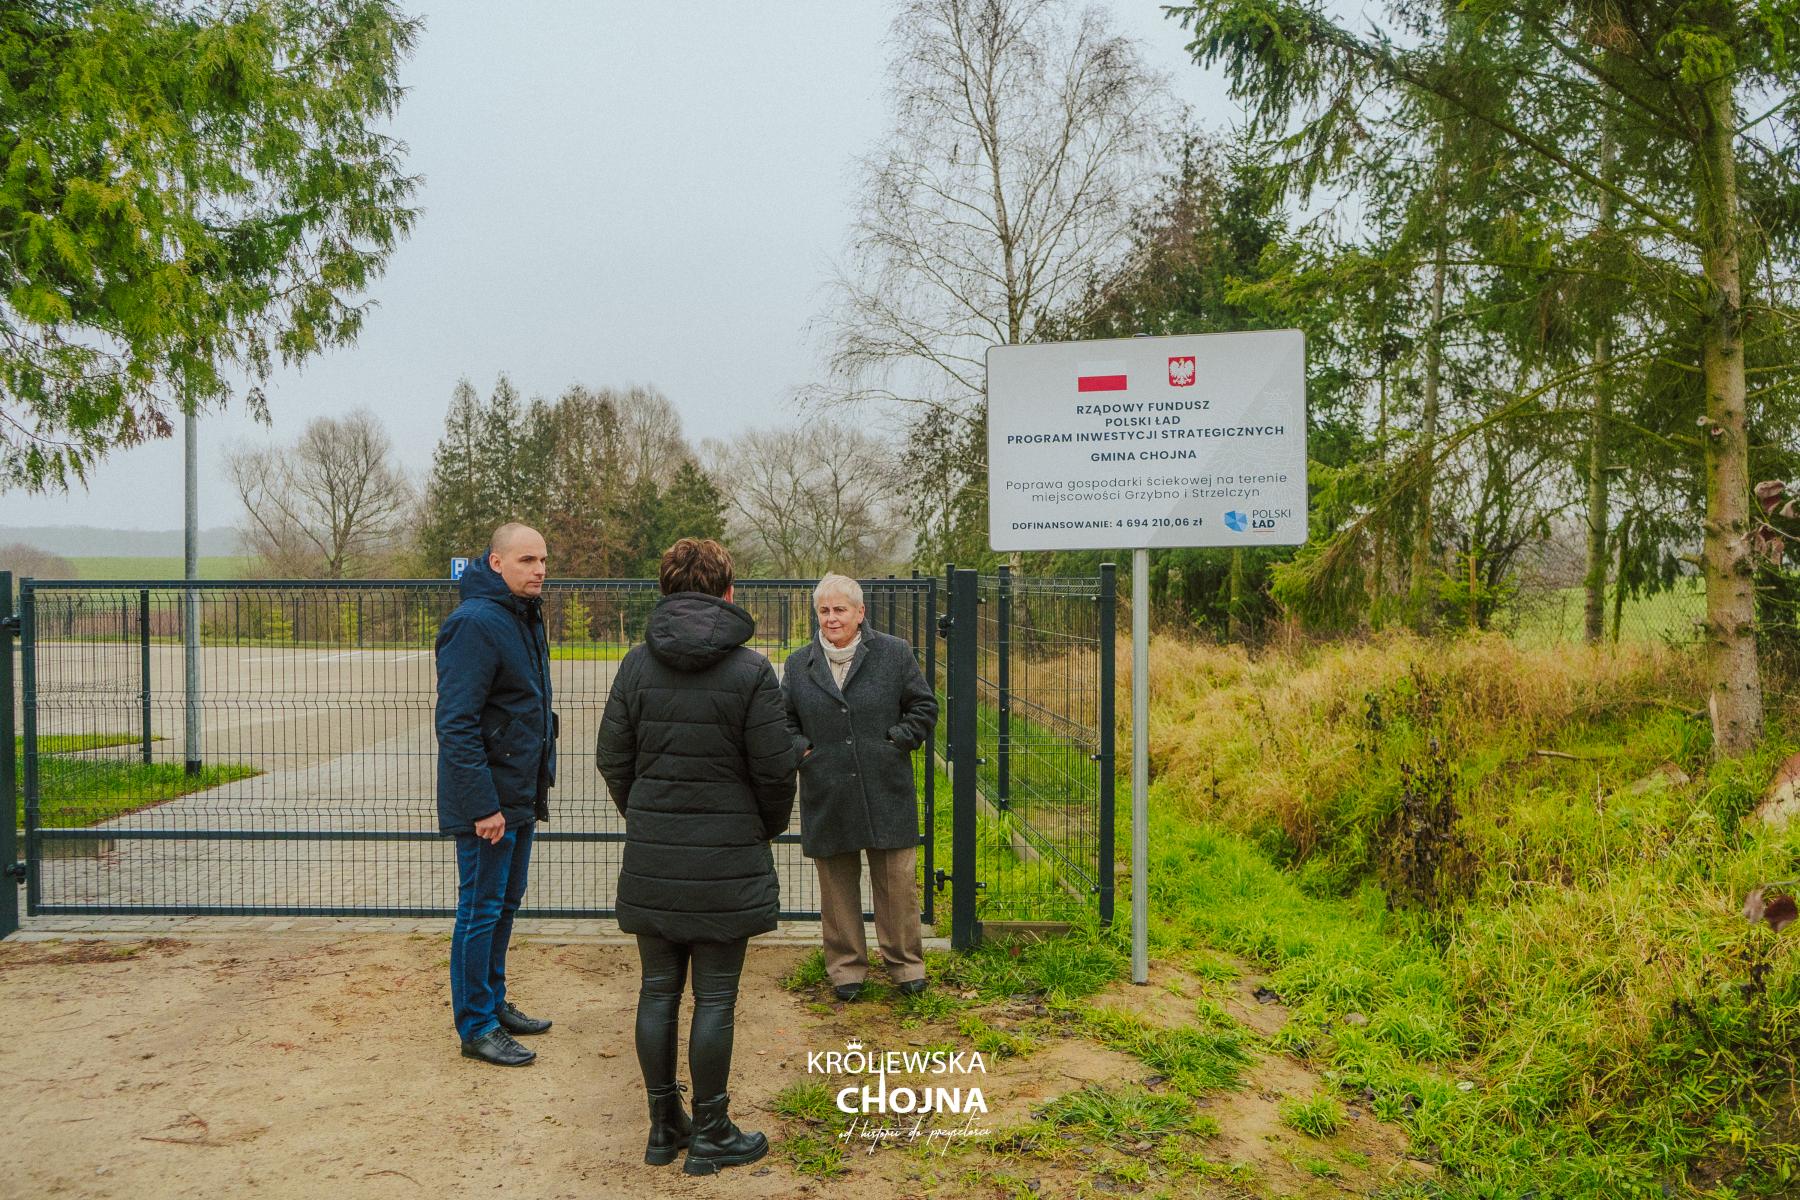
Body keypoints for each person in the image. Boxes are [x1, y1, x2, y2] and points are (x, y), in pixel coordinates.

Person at [595, 537, 796, 1175]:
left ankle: (663, 1127)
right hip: (726, 861)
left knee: (657, 990)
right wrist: (761, 829)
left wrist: (646, 818)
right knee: (715, 998)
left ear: (664, 589)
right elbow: (775, 770)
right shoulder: (752, 671)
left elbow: (611, 758)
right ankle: (711, 1133)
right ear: (729, 592)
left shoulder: (635, 665)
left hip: (655, 856)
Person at [434, 523, 558, 1067]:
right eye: (527, 560)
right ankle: (476, 1025)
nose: (539, 570)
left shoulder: (521, 616)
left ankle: (493, 1002)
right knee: (480, 909)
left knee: (504, 904)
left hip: (520, 791)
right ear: (496, 562)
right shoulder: (475, 623)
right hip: (490, 801)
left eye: (543, 560)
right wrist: (483, 806)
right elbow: (456, 723)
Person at [781, 573, 938, 1001]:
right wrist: (805, 752)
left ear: (860, 612)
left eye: (840, 610)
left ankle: (905, 965)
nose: (831, 618)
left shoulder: (893, 653)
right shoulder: (799, 664)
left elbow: (923, 706)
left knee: (897, 883)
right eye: (824, 611)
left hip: (885, 785)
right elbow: (782, 719)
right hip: (827, 788)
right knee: (836, 887)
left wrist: (897, 741)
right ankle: (846, 968)